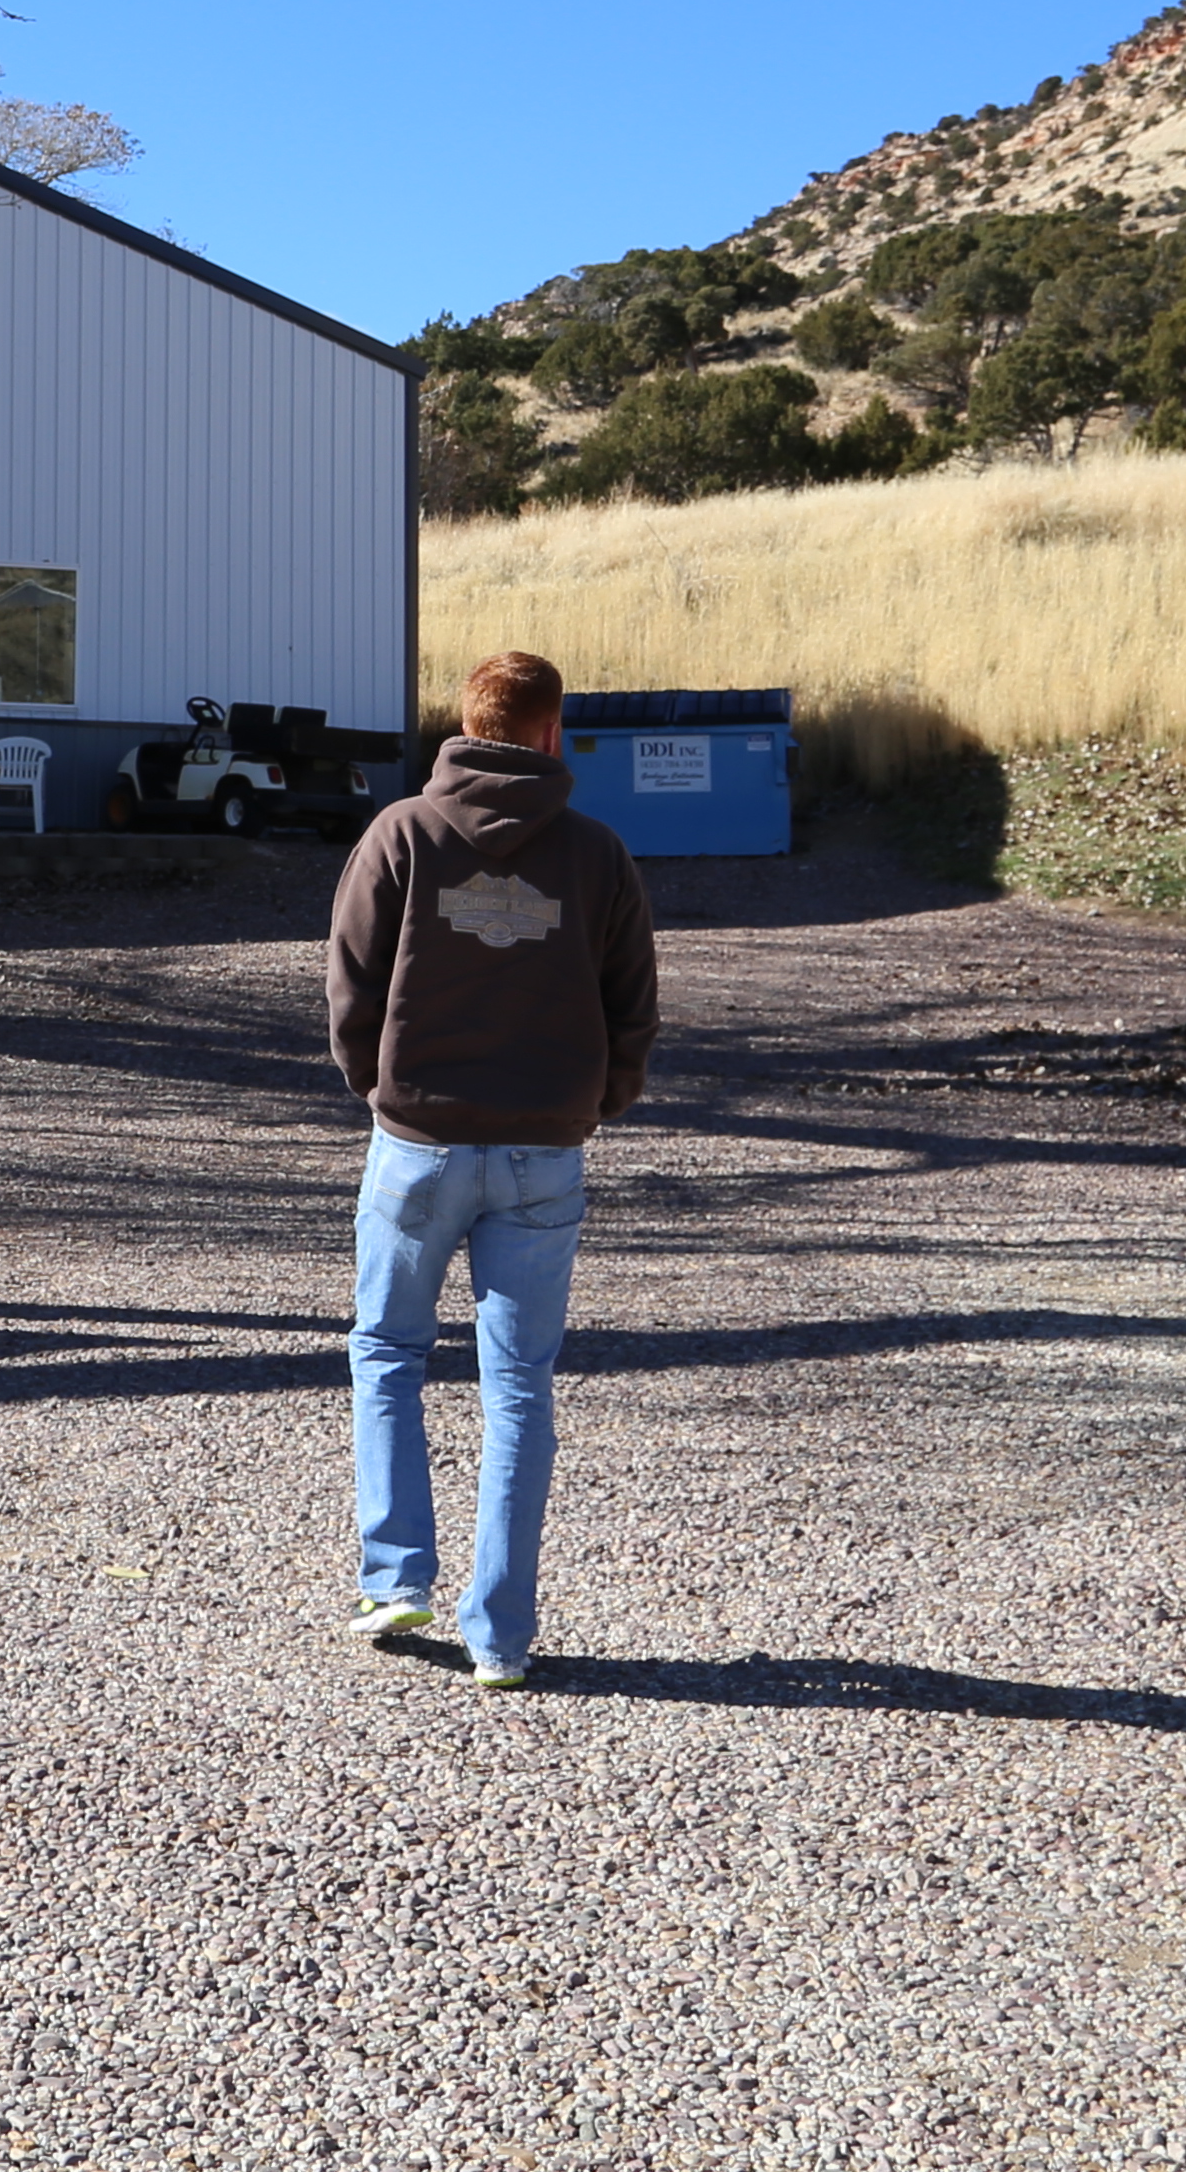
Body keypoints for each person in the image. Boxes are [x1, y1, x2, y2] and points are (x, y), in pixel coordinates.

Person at [326, 648, 659, 1692]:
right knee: (518, 1388)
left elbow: (351, 988)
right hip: (544, 1151)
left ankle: (397, 1577)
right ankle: (500, 1638)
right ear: (554, 732)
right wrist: (591, 1106)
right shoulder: (598, 856)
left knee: (388, 1351)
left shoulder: (404, 835)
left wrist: (380, 1088)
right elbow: (634, 1008)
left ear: (465, 724)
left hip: (419, 1143)